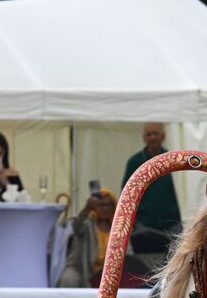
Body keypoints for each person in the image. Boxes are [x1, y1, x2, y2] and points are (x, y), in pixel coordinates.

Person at [121, 122, 181, 256]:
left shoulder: (174, 159)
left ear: (163, 136)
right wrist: (134, 222)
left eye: (156, 133)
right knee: (145, 268)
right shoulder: (134, 162)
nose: (152, 137)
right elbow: (127, 195)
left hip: (173, 226)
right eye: (149, 134)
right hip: (144, 226)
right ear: (144, 137)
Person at [56, 188, 117, 288]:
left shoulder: (118, 227)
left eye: (108, 205)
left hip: (110, 272)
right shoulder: (87, 223)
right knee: (68, 279)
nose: (105, 208)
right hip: (83, 269)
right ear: (94, 207)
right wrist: (87, 208)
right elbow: (76, 226)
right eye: (101, 205)